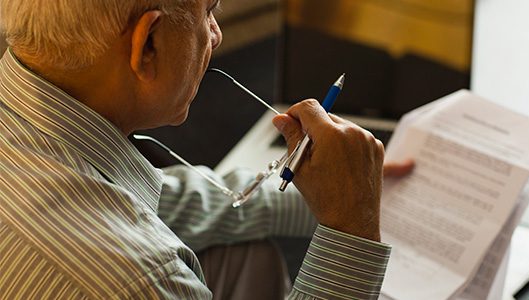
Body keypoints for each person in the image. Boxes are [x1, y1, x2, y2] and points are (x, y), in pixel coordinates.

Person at [0, 0, 412, 299]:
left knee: (245, 254)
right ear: (148, 46)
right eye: (210, 11)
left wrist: (340, 193)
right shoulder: (138, 281)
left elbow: (167, 203)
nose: (217, 34)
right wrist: (350, 229)